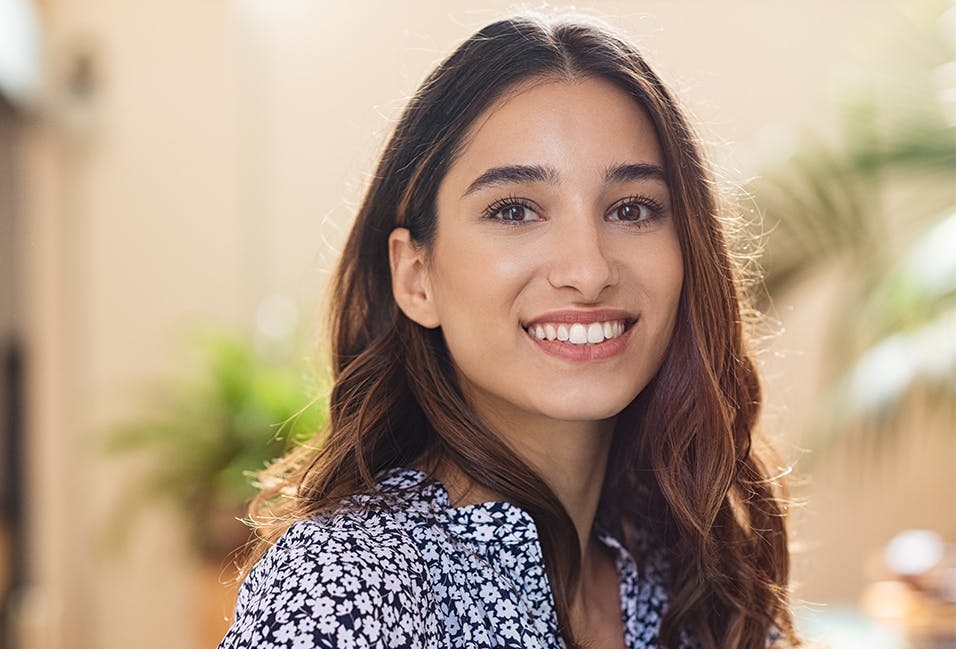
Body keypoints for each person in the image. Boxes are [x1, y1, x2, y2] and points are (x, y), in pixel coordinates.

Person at [218, 13, 799, 649]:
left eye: (632, 209)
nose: (588, 269)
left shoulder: (695, 572)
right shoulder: (344, 590)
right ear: (416, 277)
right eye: (515, 210)